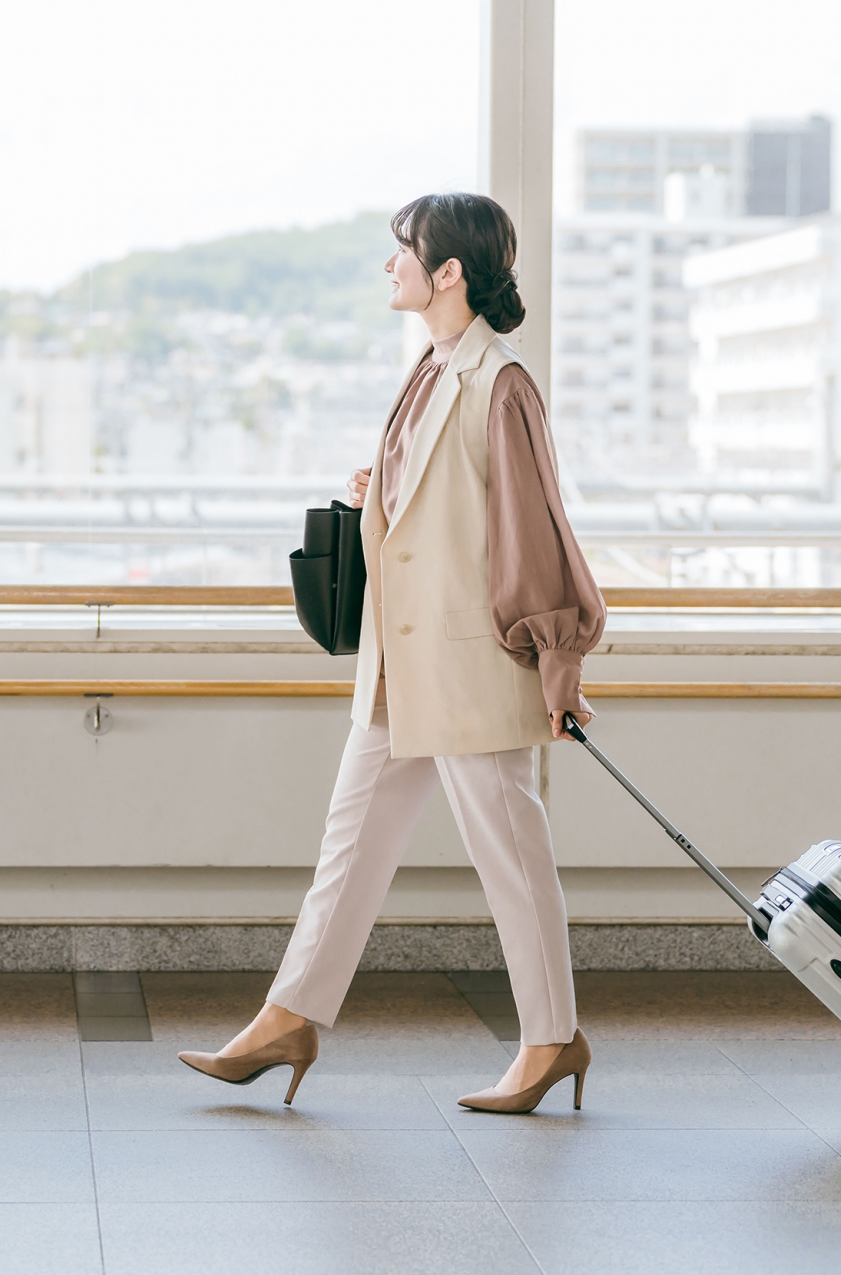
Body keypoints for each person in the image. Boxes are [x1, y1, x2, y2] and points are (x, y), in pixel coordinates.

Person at [179, 192, 607, 1113]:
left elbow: (535, 531)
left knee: (510, 851)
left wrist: (559, 664)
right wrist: (384, 489)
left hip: (472, 664)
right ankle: (289, 1015)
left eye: (402, 252)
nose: (390, 267)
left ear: (447, 272)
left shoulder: (501, 381)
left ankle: (552, 1039)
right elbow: (445, 504)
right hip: (401, 663)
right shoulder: (432, 367)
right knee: (352, 843)